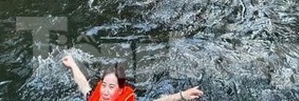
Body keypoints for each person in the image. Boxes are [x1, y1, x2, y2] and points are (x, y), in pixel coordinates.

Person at [62, 55, 203, 101]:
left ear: (120, 91)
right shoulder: (96, 96)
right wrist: (73, 65)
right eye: (104, 85)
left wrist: (183, 95)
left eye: (111, 87)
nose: (105, 91)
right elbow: (83, 85)